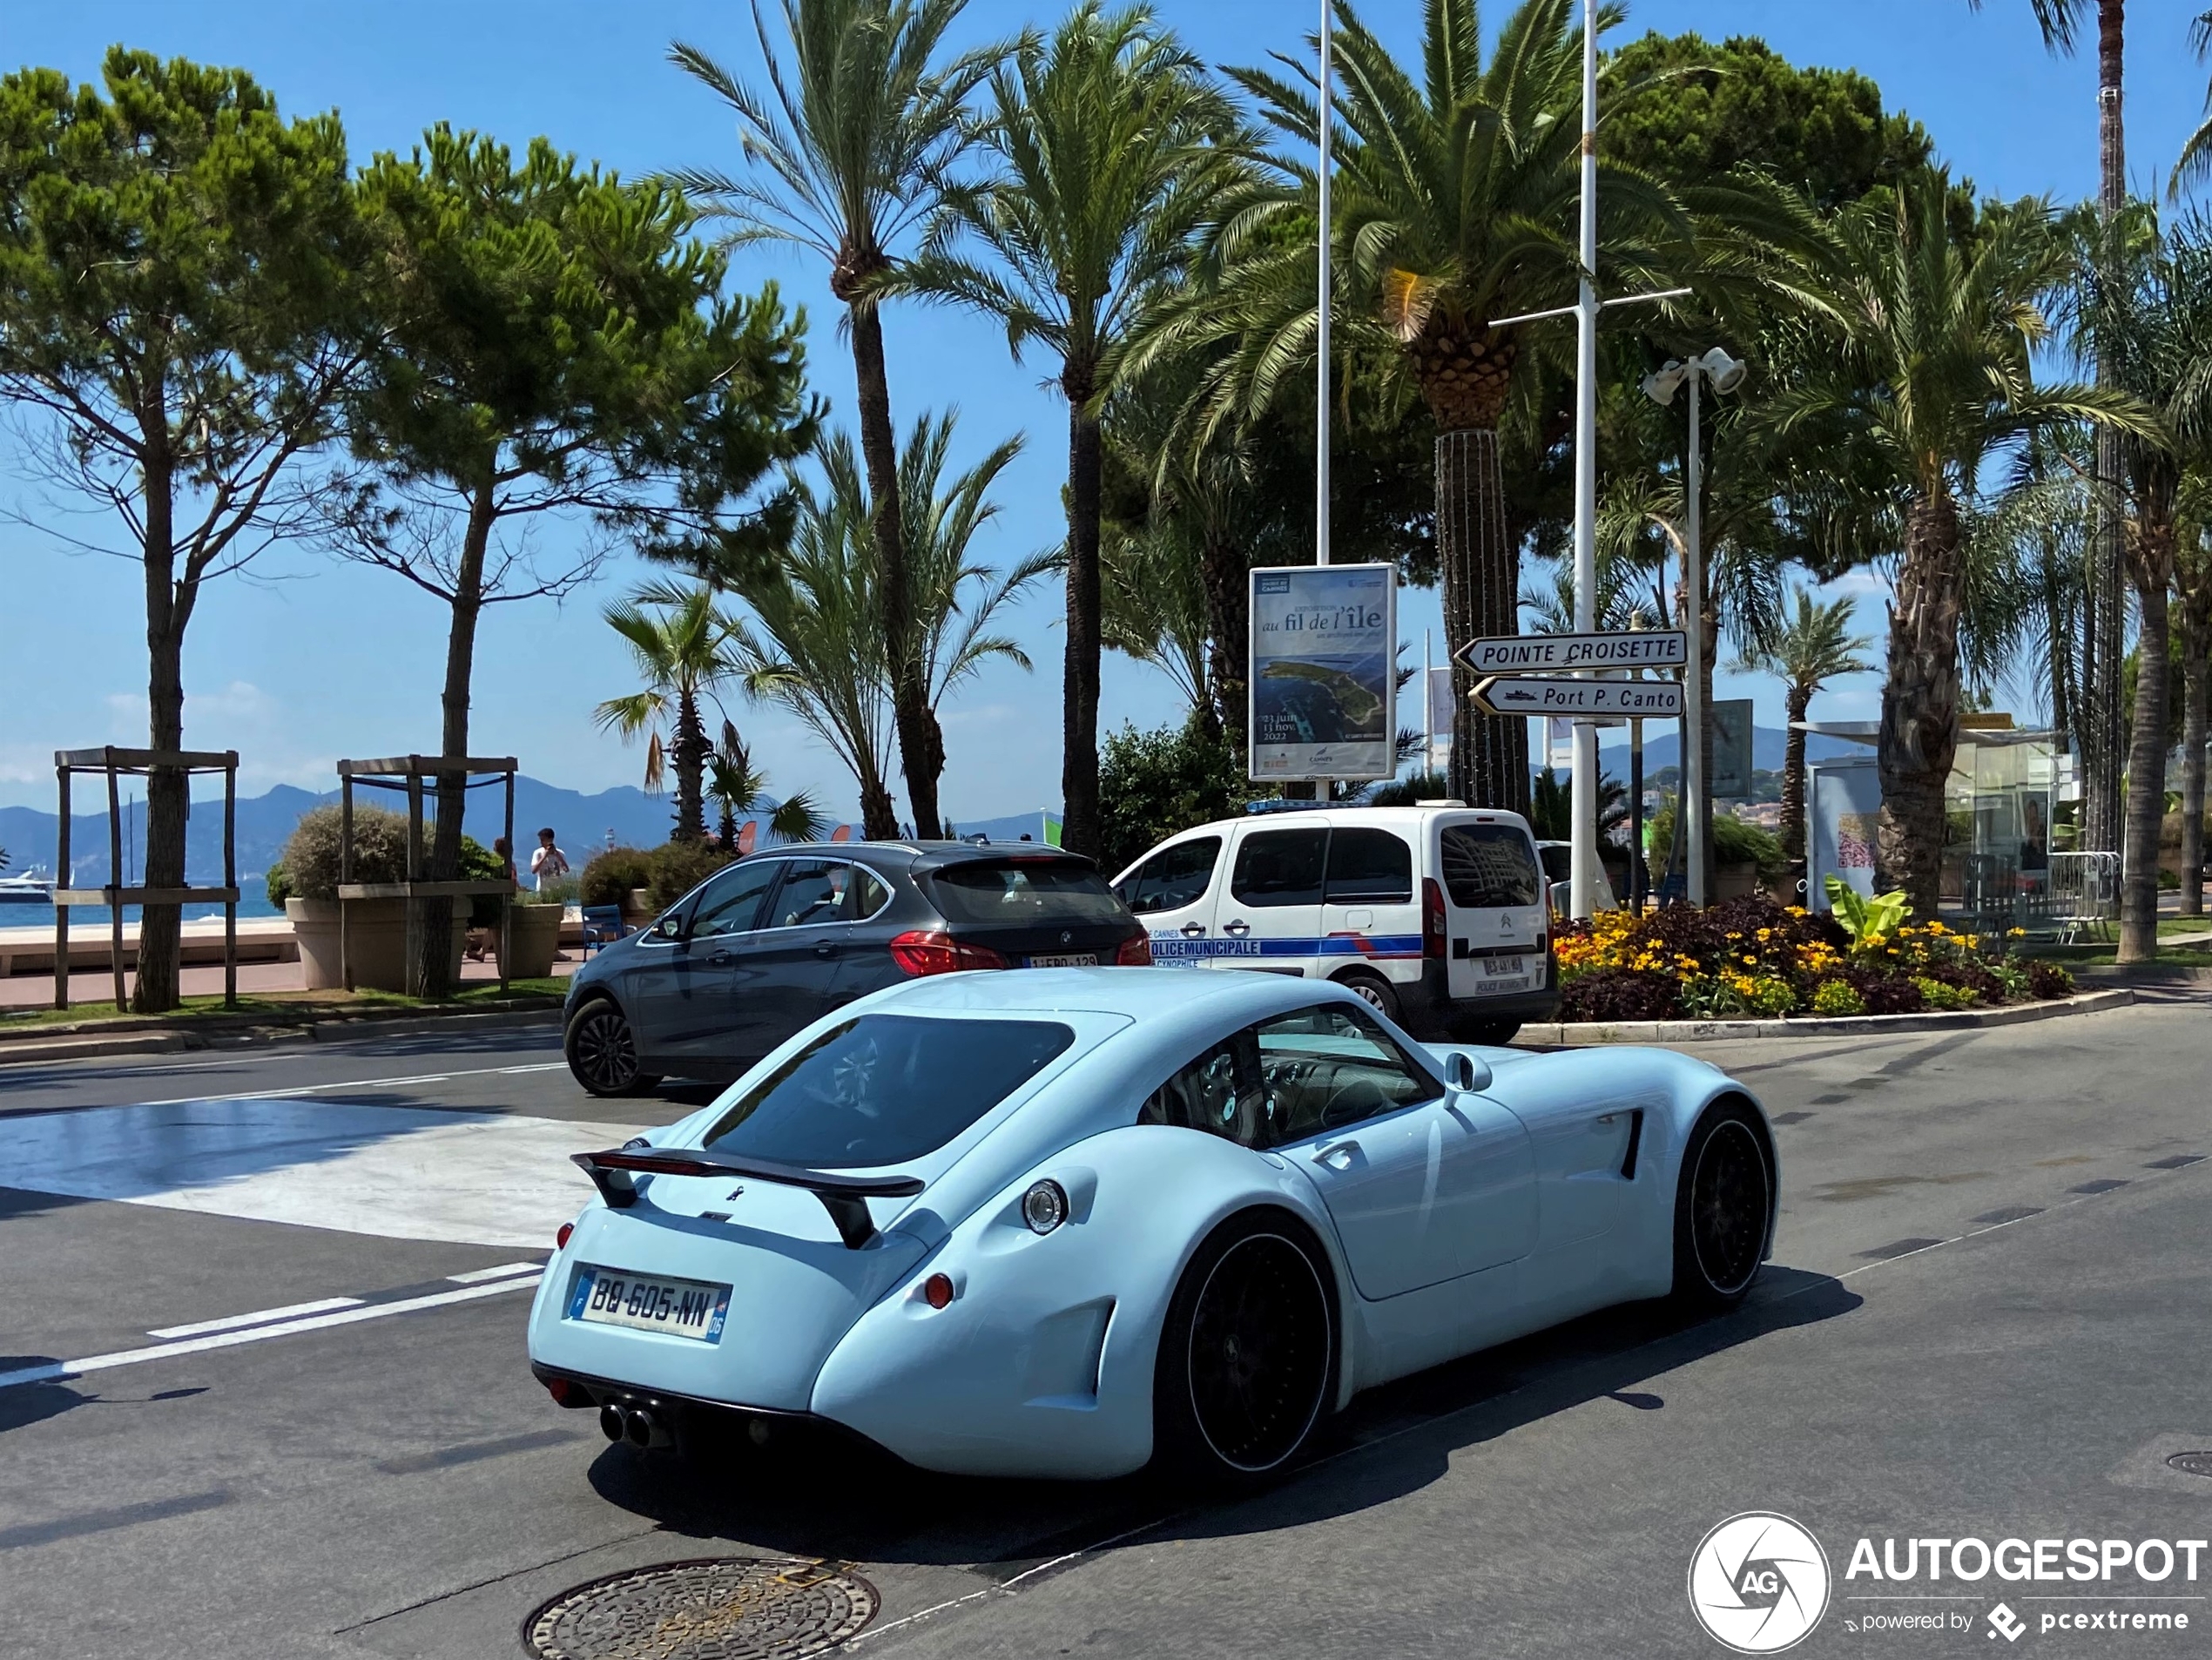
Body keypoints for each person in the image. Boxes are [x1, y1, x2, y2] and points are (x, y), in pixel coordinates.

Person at [530, 828, 570, 893]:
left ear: (550, 840)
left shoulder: (560, 853)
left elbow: (566, 869)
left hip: (557, 890)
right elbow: (534, 871)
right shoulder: (538, 853)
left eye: (543, 840)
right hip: (543, 890)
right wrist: (545, 856)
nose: (541, 842)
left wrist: (557, 855)